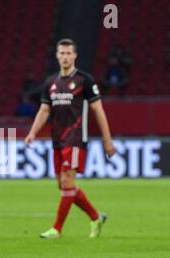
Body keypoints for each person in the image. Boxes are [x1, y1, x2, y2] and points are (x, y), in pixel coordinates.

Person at [25, 38, 116, 239]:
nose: (65, 57)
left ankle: (57, 228)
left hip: (76, 138)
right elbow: (44, 109)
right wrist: (32, 132)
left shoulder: (85, 80)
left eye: (69, 53)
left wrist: (107, 139)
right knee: (63, 185)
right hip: (57, 140)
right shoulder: (51, 82)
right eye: (62, 53)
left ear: (75, 56)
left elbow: (98, 110)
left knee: (67, 182)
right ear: (57, 56)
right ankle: (96, 216)